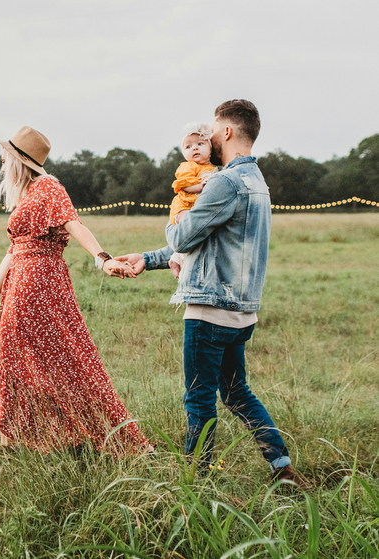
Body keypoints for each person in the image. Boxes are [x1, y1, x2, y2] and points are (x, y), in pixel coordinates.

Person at [117, 100, 308, 488]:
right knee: (237, 393)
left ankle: (195, 481)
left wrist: (176, 221)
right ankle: (282, 468)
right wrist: (149, 258)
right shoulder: (257, 182)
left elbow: (186, 235)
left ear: (227, 132)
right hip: (241, 312)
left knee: (198, 398)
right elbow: (209, 241)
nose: (207, 138)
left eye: (213, 130)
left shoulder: (224, 182)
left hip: (209, 310)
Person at [0, 125, 152, 456]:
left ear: (19, 161)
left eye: (5, 156)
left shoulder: (48, 187)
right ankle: (23, 438)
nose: (0, 161)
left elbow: (74, 224)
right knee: (20, 359)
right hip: (21, 285)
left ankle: (82, 435)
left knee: (65, 358)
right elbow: (12, 253)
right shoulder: (27, 195)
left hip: (39, 284)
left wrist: (102, 259)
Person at [168, 122, 218, 279]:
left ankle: (176, 258)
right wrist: (199, 187)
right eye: (188, 147)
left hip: (195, 207)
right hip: (183, 206)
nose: (194, 148)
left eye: (200, 144)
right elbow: (182, 184)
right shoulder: (188, 166)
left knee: (197, 232)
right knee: (188, 227)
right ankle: (180, 259)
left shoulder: (212, 169)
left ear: (210, 148)